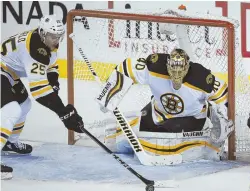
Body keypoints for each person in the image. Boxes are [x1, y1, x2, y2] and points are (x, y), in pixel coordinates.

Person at [97, 47, 234, 162]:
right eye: (173, 68)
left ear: (188, 66)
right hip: (158, 112)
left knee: (164, 145)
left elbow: (223, 94)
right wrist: (108, 94)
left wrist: (222, 118)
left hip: (191, 118)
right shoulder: (155, 67)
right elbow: (125, 68)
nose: (177, 73)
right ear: (167, 64)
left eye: (181, 69)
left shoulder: (201, 78)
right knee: (112, 138)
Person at [1, 15, 83, 179]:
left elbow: (51, 65)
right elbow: (38, 91)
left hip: (9, 73)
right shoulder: (35, 48)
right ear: (42, 32)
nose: (56, 40)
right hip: (3, 70)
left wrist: (53, 83)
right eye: (53, 36)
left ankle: (10, 143)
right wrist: (63, 112)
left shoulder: (45, 41)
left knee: (24, 105)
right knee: (12, 109)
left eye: (59, 36)